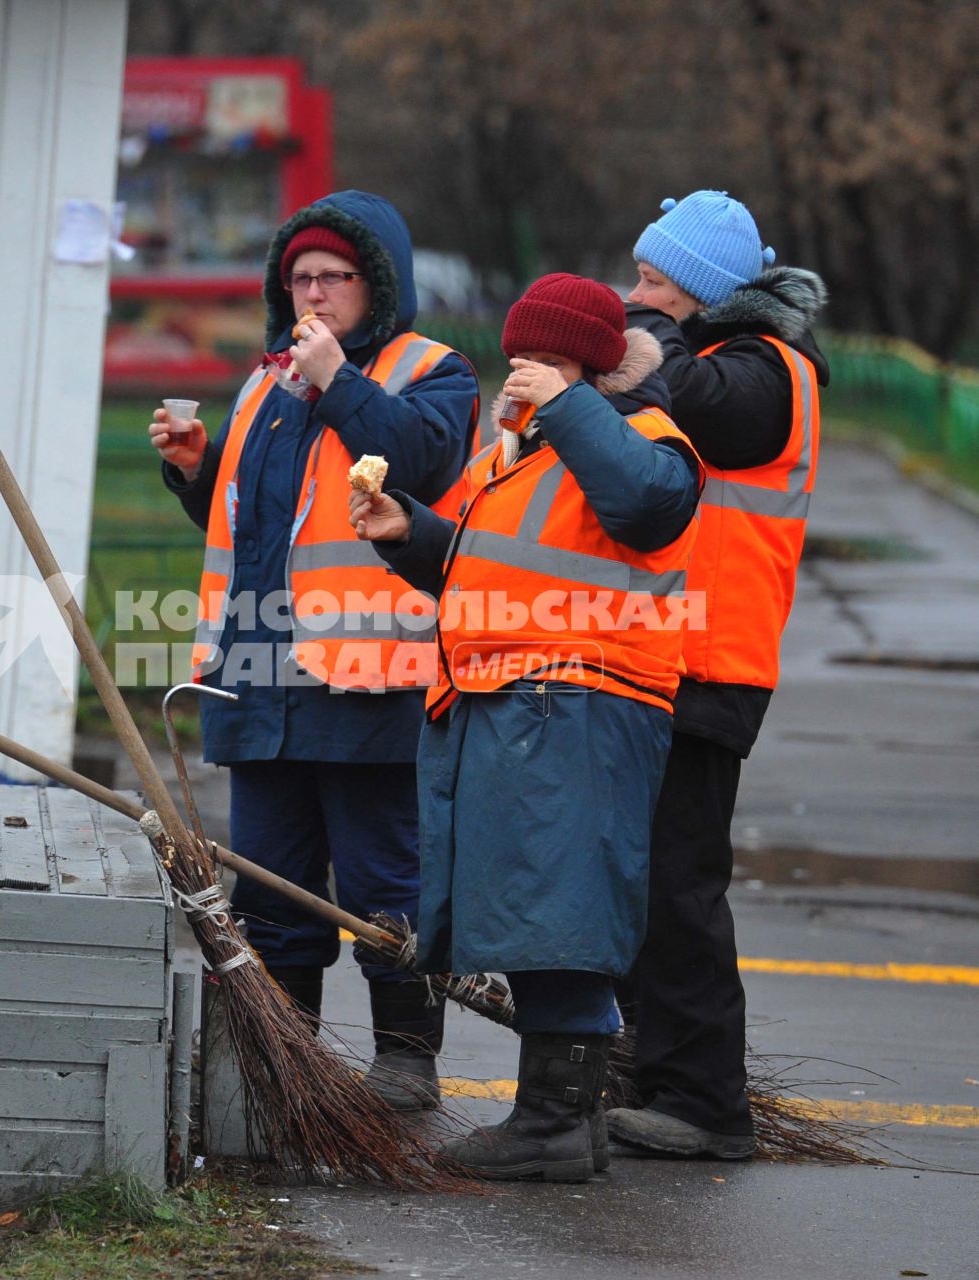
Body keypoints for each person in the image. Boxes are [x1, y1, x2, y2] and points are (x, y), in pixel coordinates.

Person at [350, 274, 702, 1180]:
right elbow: (478, 571)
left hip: (584, 705)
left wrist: (573, 406)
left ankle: (549, 1124)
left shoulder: (645, 438)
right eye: (520, 360)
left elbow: (647, 506)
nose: (524, 377)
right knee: (539, 911)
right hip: (513, 705)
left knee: (563, 911)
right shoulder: (514, 454)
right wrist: (406, 532)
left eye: (545, 362)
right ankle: (562, 1124)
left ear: (590, 367)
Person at [149, 190, 480, 1109]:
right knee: (272, 888)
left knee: (386, 881)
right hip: (256, 677)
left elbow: (418, 463)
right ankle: (281, 1069)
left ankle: (406, 1062)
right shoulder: (266, 382)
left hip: (370, 677)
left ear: (378, 287)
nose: (317, 294)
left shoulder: (433, 371)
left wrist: (338, 379)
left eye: (336, 278)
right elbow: (261, 528)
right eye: (302, 278)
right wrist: (196, 470)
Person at [606, 190, 828, 1160]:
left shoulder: (768, 370)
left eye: (655, 281)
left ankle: (703, 1101)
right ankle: (652, 1065)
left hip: (709, 662)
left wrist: (637, 356)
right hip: (663, 654)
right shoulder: (720, 360)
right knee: (642, 878)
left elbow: (703, 404)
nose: (637, 293)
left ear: (702, 293)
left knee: (678, 883)